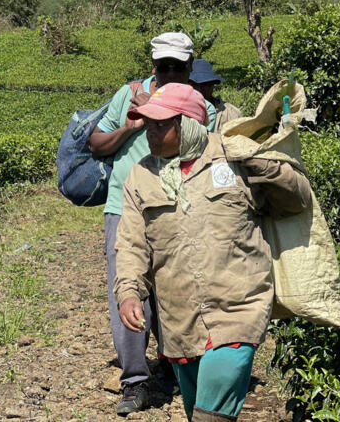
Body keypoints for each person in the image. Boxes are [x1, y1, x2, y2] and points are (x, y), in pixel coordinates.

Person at [113, 84, 311, 422]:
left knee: (210, 416)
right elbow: (132, 244)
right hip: (180, 321)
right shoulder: (140, 177)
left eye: (161, 125)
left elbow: (297, 200)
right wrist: (128, 293)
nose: (151, 134)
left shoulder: (235, 154)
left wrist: (262, 163)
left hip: (238, 308)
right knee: (199, 411)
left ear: (188, 124)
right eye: (148, 126)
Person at [87, 32, 191, 415]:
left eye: (177, 67)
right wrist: (131, 126)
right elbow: (96, 144)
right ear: (153, 66)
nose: (169, 73)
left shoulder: (197, 103)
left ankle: (172, 363)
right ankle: (134, 380)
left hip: (176, 206)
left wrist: (159, 110)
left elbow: (206, 147)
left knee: (174, 288)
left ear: (189, 67)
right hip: (124, 205)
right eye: (163, 66)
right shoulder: (127, 94)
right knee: (127, 292)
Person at [188, 59, 241, 132]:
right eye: (194, 84)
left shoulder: (231, 113)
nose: (200, 89)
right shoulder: (179, 114)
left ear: (212, 84)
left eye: (205, 84)